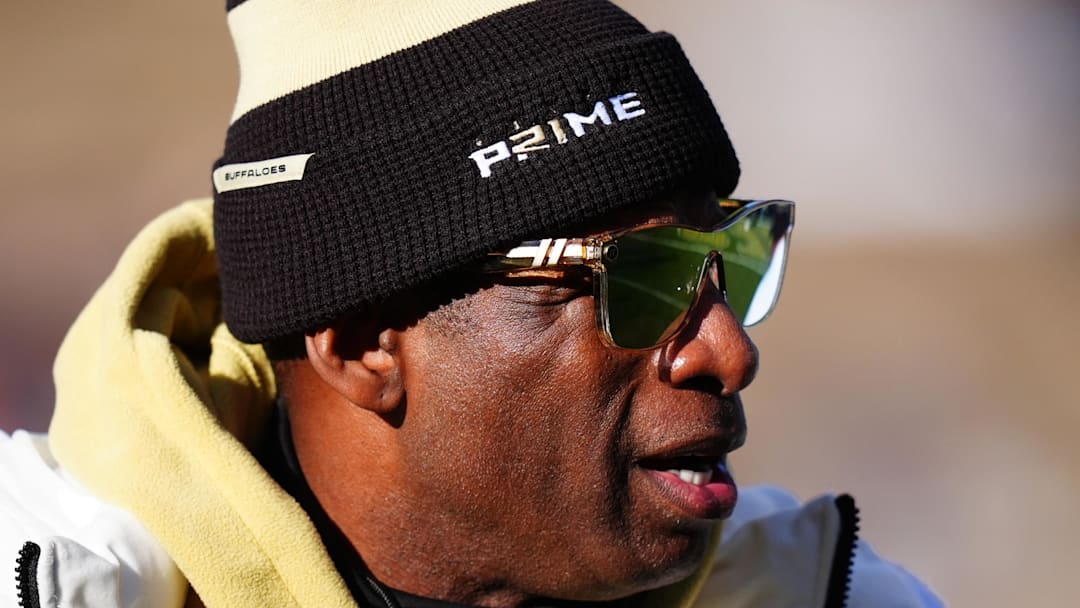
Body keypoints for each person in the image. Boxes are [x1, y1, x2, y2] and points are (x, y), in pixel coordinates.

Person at [0, 1, 943, 606]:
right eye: (639, 276)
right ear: (367, 341)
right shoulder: (52, 584)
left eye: (730, 256)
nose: (727, 353)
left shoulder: (823, 594)